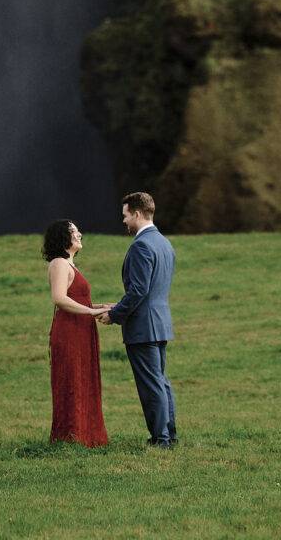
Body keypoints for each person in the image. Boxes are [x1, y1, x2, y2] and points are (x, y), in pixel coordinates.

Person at [97, 191, 177, 448]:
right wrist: (118, 305)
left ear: (138, 214)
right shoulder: (164, 243)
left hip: (143, 327)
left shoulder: (141, 245)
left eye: (126, 215)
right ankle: (169, 435)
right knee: (160, 382)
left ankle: (161, 439)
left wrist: (115, 314)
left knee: (151, 385)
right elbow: (151, 290)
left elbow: (139, 291)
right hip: (160, 322)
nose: (124, 221)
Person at [44, 220, 111, 447]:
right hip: (70, 331)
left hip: (81, 330)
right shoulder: (59, 263)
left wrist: (103, 306)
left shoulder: (70, 265)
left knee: (83, 378)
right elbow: (60, 298)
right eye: (74, 231)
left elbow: (78, 298)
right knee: (72, 380)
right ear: (63, 237)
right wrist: (92, 311)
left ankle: (86, 435)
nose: (79, 234)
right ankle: (71, 436)